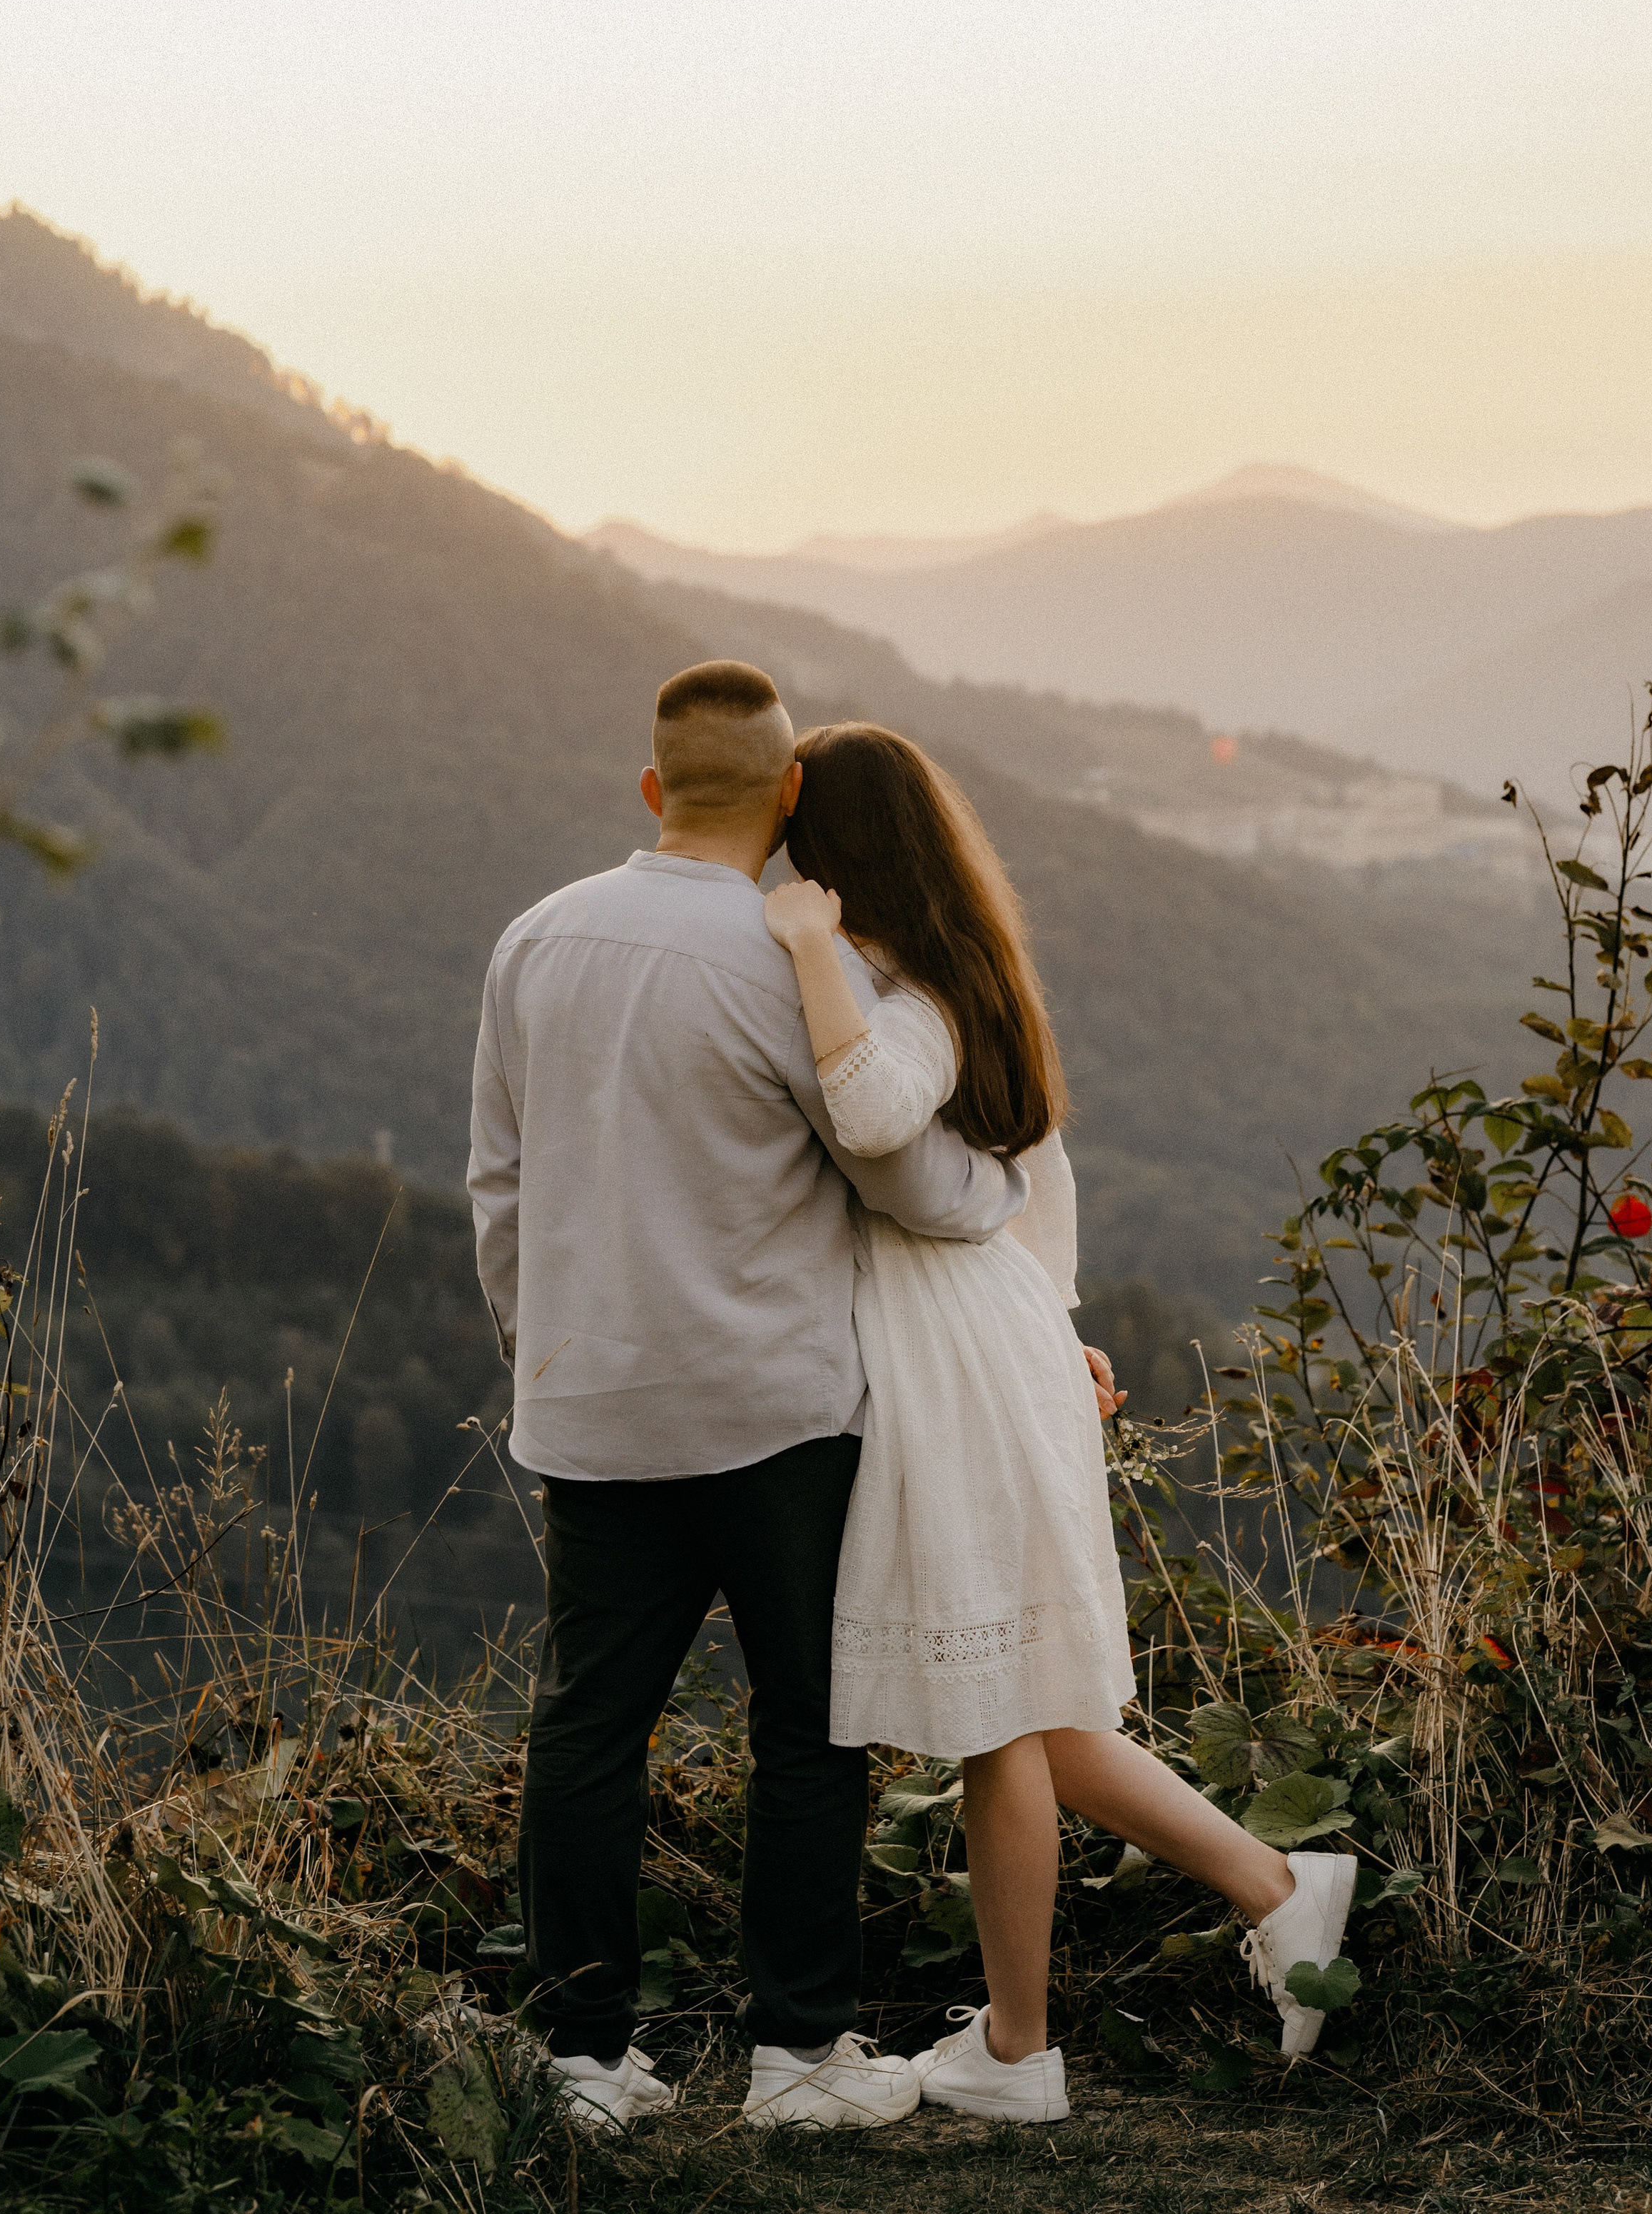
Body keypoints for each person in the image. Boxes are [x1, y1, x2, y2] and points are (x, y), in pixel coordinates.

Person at [467, 661, 1034, 2130]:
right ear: (789, 798)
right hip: (778, 1410)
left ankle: (583, 2057)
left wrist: (546, 1347)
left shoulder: (530, 941)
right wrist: (1001, 1194)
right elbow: (899, 1170)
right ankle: (795, 2057)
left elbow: (500, 1188)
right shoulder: (802, 963)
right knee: (808, 1725)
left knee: (589, 1726)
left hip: (593, 1406)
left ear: (650, 789)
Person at [765, 722, 1356, 2124]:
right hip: (993, 1335)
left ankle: (1021, 2049)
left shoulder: (899, 1002)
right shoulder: (973, 970)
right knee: (1026, 1699)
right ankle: (1275, 1887)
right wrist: (1049, 1318)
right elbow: (1042, 1176)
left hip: (955, 1356)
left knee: (997, 1716)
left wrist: (800, 950)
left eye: (799, 846)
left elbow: (864, 1112)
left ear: (837, 856)